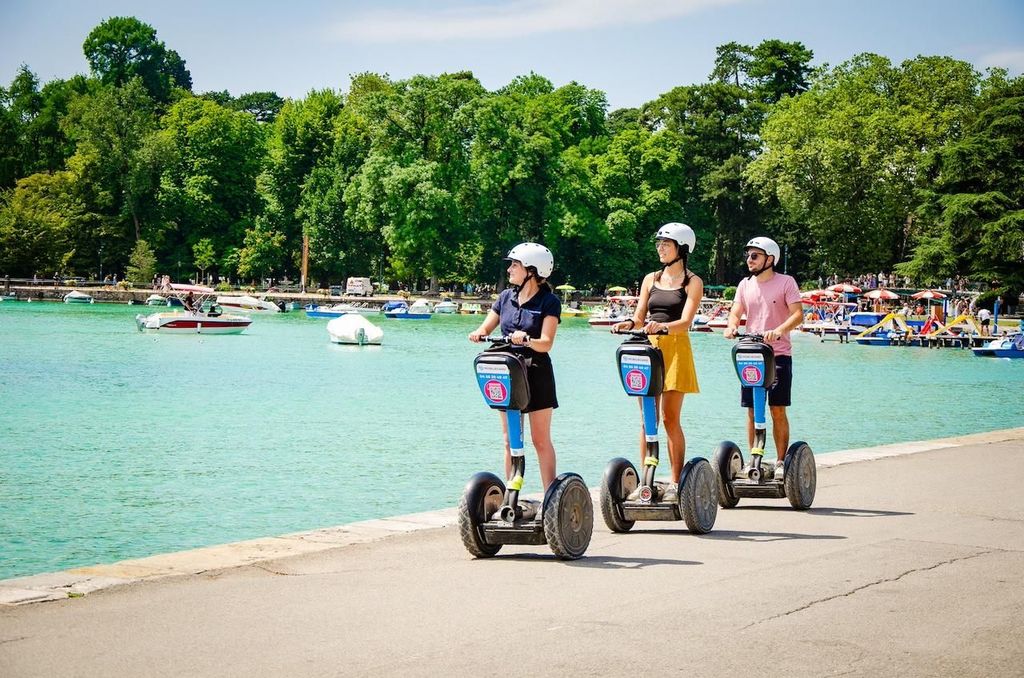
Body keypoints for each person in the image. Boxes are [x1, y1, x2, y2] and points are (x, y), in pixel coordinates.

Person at [613, 223, 703, 498]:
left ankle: (676, 482)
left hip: (675, 349)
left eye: (666, 243)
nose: (660, 248)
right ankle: (646, 481)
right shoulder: (650, 278)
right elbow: (640, 315)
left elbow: (686, 322)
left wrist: (663, 327)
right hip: (647, 350)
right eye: (659, 243)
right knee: (647, 419)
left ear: (682, 248)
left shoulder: (692, 282)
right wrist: (628, 323)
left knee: (669, 419)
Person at [469, 243, 561, 489]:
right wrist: (479, 332)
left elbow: (547, 343)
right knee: (510, 440)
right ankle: (512, 494)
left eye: (514, 265)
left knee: (540, 440)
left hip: (536, 371)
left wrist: (527, 339)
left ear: (531, 270)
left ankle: (550, 497)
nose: (509, 269)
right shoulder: (505, 298)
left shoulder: (549, 302)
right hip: (507, 371)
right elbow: (486, 326)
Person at [723, 236, 803, 479]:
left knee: (777, 409)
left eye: (754, 256)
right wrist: (731, 325)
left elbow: (798, 315)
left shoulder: (786, 282)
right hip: (751, 355)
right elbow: (736, 311)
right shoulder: (745, 285)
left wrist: (779, 330)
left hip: (778, 355)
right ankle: (753, 459)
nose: (749, 260)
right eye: (748, 255)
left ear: (770, 259)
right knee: (751, 409)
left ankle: (780, 461)